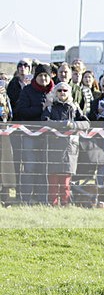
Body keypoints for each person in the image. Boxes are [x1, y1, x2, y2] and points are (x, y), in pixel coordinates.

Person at [41, 82, 90, 205]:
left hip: (70, 148)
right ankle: (52, 204)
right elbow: (44, 122)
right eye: (59, 90)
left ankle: (65, 203)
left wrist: (73, 125)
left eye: (65, 90)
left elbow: (86, 123)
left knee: (66, 181)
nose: (62, 93)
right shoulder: (50, 108)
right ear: (55, 93)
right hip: (53, 147)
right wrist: (62, 124)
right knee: (53, 180)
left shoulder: (74, 107)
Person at [14, 63, 55, 204]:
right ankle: (25, 197)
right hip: (30, 134)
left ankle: (42, 197)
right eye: (40, 75)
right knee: (30, 165)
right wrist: (42, 108)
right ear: (35, 77)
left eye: (46, 76)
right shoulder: (27, 91)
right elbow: (21, 110)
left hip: (50, 136)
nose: (43, 78)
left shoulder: (55, 91)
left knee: (45, 166)